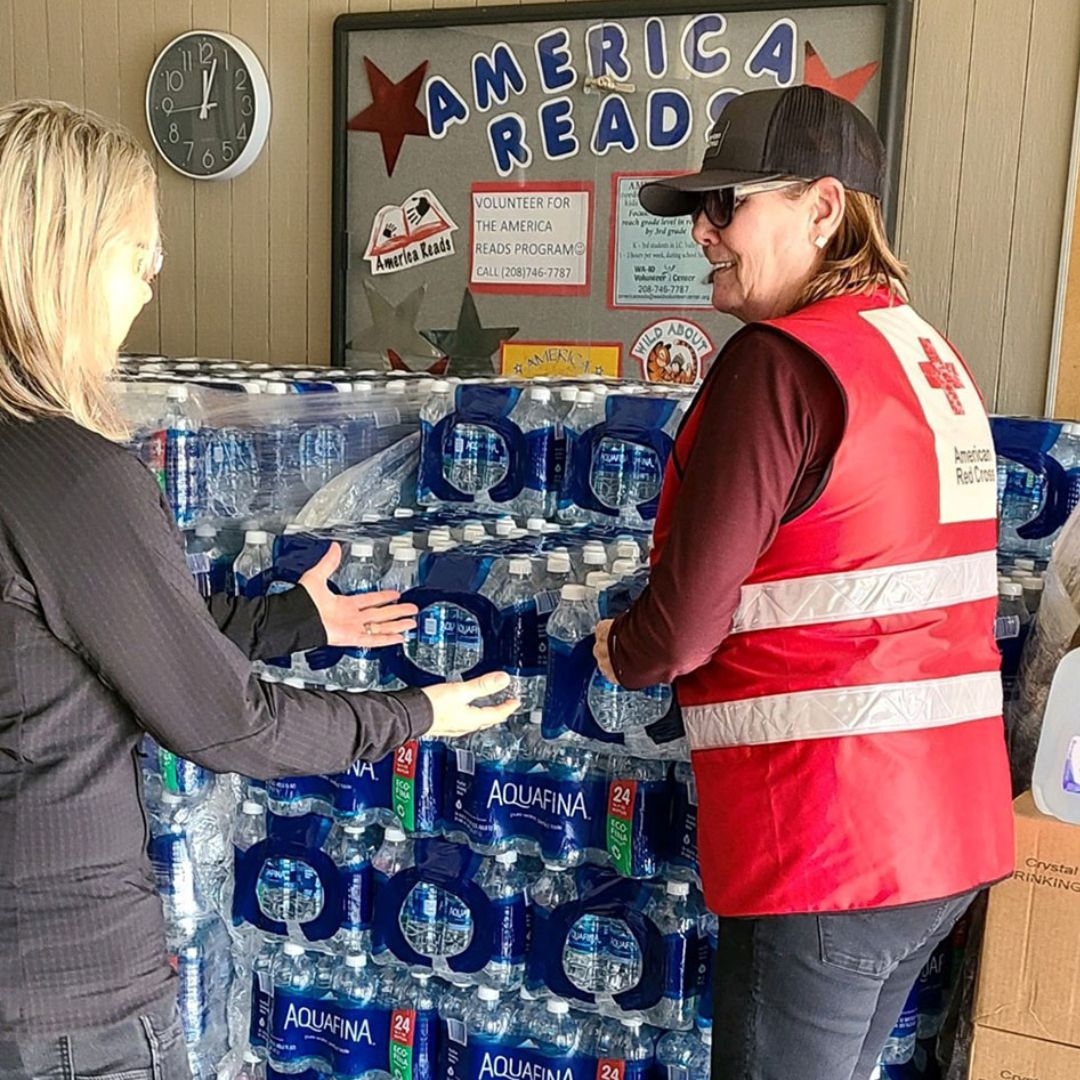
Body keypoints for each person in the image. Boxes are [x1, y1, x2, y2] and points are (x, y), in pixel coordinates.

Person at [0, 100, 517, 1079]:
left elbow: (67, 642)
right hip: (64, 998)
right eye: (136, 252)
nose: (150, 284)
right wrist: (418, 715)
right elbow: (228, 726)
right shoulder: (71, 478)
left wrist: (288, 618)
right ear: (57, 261)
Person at [593, 86, 1014, 1080]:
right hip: (942, 830)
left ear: (823, 208)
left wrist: (627, 647)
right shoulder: (921, 356)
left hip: (829, 839)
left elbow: (686, 627)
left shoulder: (779, 367)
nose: (703, 232)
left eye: (726, 204)